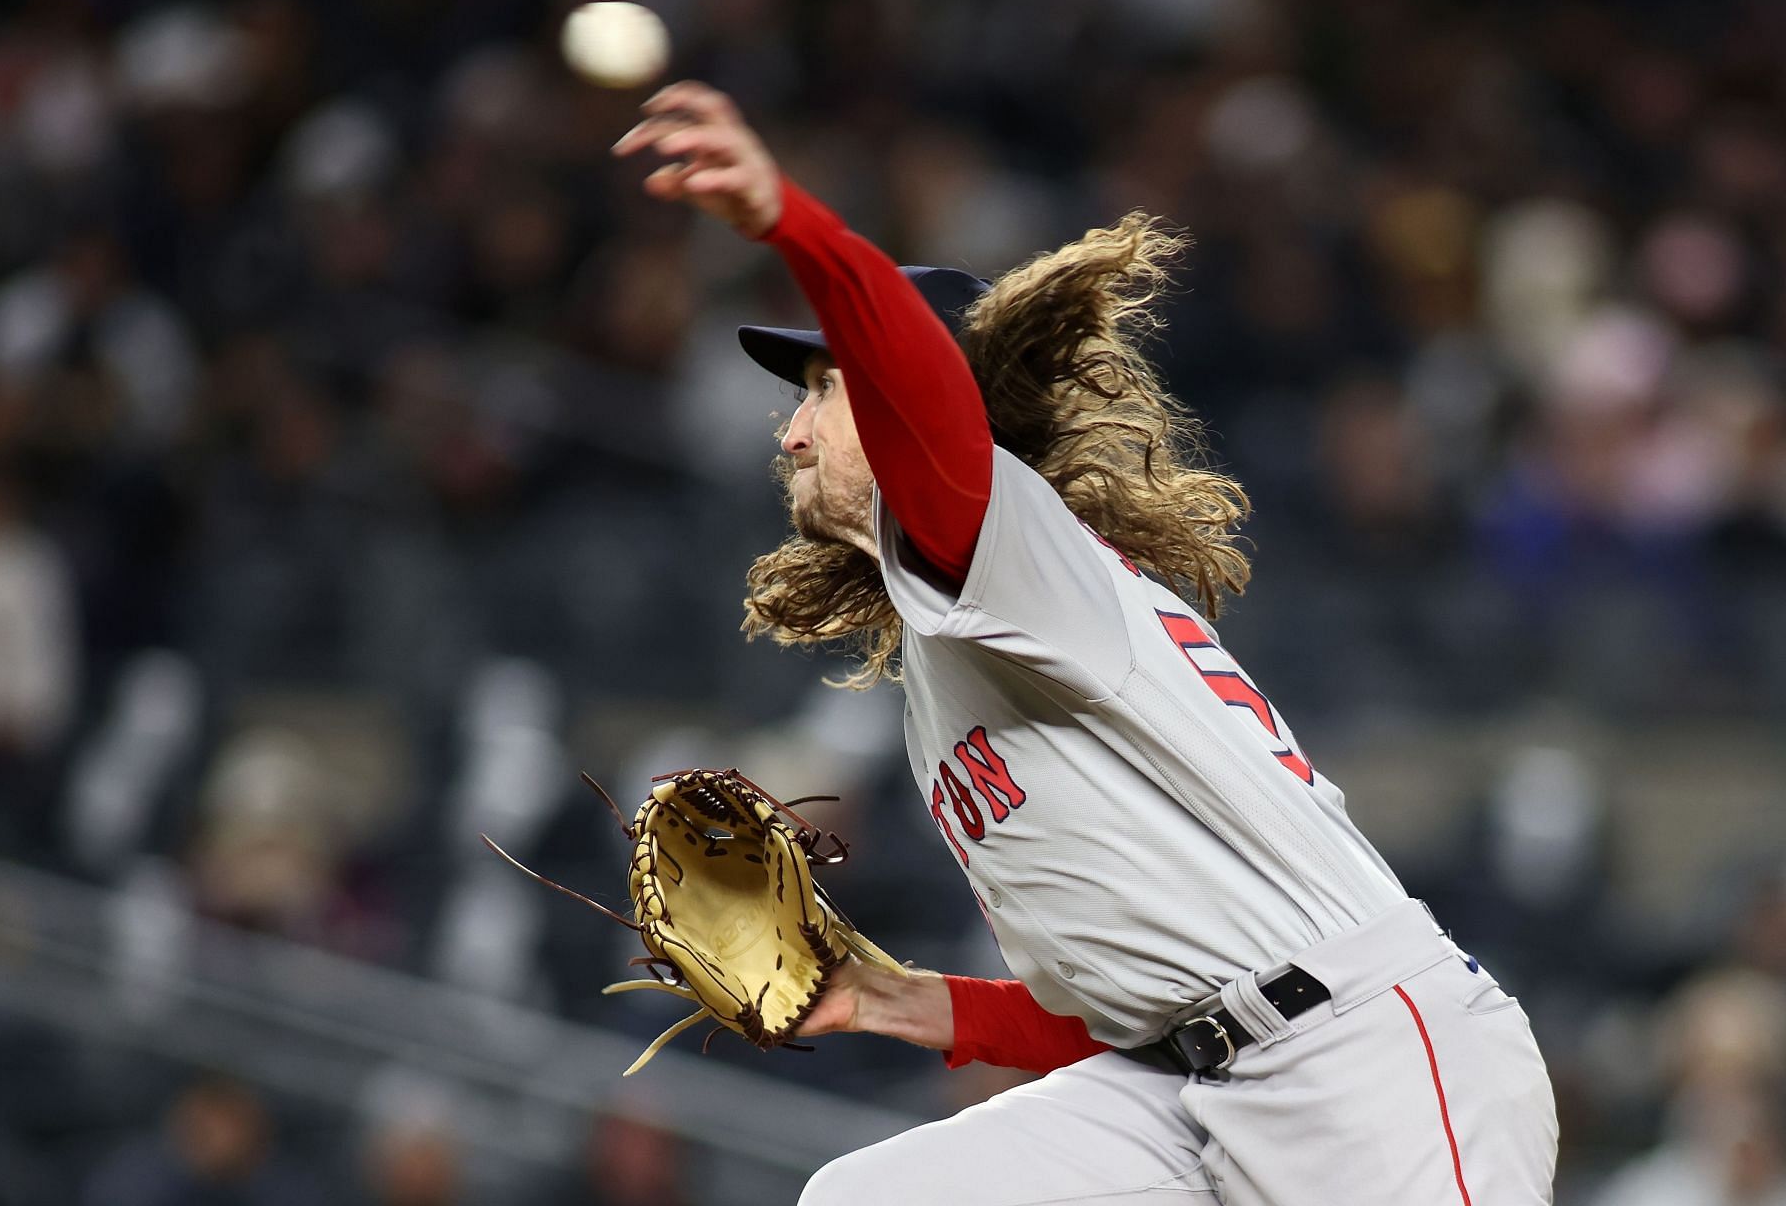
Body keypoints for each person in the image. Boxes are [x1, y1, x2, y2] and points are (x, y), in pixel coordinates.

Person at [614, 82, 1558, 1205]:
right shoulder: (961, 640)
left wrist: (797, 227)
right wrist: (895, 999)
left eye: (827, 385)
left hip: (1370, 1059)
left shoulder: (1006, 538)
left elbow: (924, 390)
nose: (794, 427)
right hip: (1199, 1078)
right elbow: (1129, 1012)